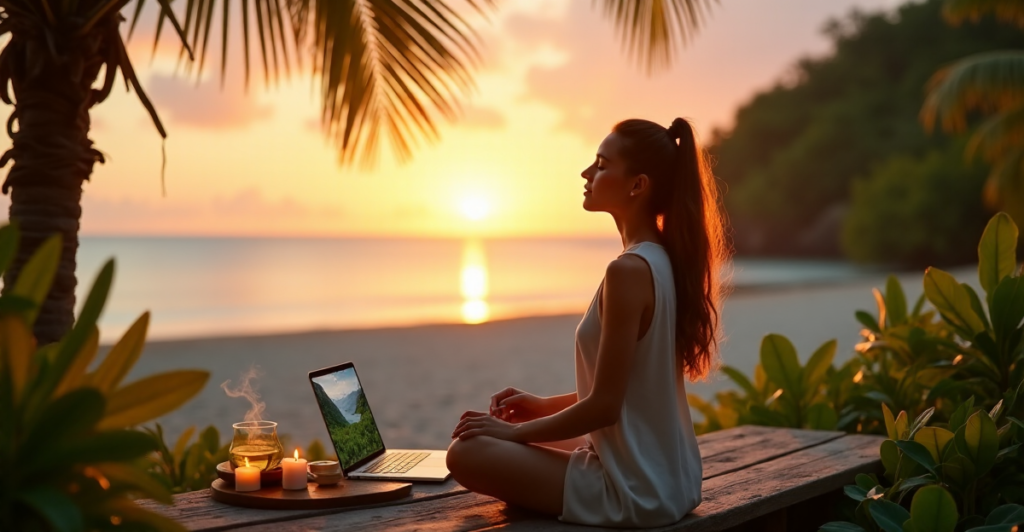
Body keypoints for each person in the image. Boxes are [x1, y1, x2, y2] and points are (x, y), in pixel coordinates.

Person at [446, 117, 730, 527]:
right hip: (671, 477)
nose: (586, 173)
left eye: (600, 164)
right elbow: (623, 390)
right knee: (496, 438)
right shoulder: (663, 259)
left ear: (638, 185)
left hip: (636, 491)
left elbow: (604, 406)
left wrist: (509, 433)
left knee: (465, 453)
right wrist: (541, 407)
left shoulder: (628, 271)